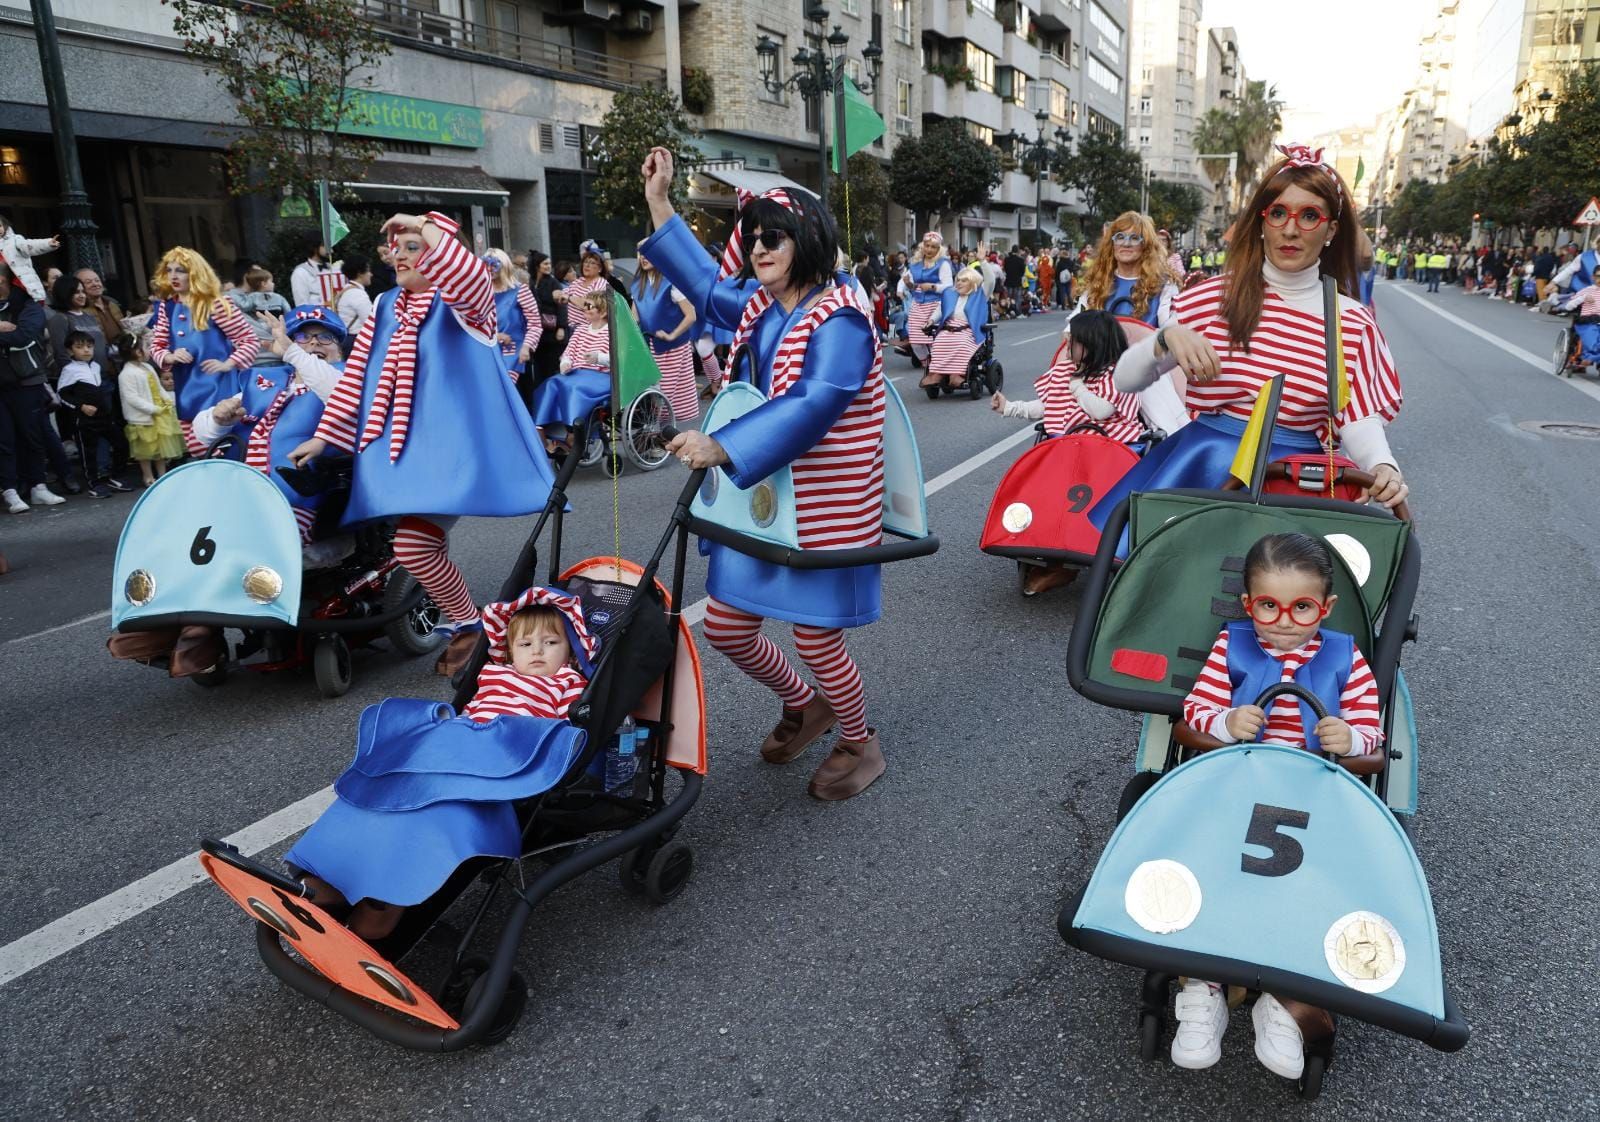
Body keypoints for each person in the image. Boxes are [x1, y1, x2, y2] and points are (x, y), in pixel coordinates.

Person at [642, 147, 889, 800]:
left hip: (822, 506)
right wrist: (661, 205)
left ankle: (861, 741)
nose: (757, 247)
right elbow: (705, 287)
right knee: (726, 625)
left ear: (806, 238)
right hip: (761, 501)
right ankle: (809, 705)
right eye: (752, 238)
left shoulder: (843, 319)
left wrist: (723, 447)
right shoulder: (761, 306)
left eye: (772, 236)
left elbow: (815, 402)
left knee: (816, 635)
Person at [286, 212, 553, 678]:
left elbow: (466, 272)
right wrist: (324, 434)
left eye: (414, 246)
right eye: (397, 248)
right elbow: (358, 378)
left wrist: (424, 221)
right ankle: (455, 621)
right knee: (395, 545)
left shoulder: (468, 303)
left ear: (439, 249)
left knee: (412, 547)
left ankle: (471, 627)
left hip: (452, 457)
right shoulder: (386, 304)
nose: (399, 256)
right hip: (398, 455)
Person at [1099, 144, 1408, 544]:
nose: (1291, 229)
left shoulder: (1351, 321)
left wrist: (1383, 465)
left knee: (1277, 594)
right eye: (1278, 213)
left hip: (1297, 475)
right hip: (1206, 459)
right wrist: (1164, 339)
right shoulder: (1210, 298)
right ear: (1262, 222)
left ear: (1331, 230)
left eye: (1309, 215)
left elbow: (1358, 417)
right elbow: (1124, 380)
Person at [1172, 531, 1382, 1080]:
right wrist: (1225, 721)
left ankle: (1284, 1000)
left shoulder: (1344, 656)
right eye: (1268, 606)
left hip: (1314, 792)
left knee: (1313, 887)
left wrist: (1349, 738)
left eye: (1302, 608)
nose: (1284, 621)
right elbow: (1196, 709)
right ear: (1249, 605)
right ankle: (1202, 986)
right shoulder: (1231, 646)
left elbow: (1371, 735)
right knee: (1209, 871)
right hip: (1236, 785)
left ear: (1326, 607)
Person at [288, 587, 596, 940]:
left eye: (551, 643)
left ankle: (386, 900)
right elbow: (469, 710)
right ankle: (332, 876)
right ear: (511, 652)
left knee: (435, 813)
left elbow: (568, 734)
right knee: (387, 785)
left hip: (504, 758)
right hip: (457, 742)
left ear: (570, 650)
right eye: (526, 645)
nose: (538, 651)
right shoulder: (496, 673)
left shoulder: (567, 682)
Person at [990, 310, 1143, 595]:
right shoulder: (1065, 371)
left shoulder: (1118, 374)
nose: (1067, 344)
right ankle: (1048, 543)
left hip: (1109, 451)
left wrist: (1079, 388)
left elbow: (1102, 410)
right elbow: (1048, 407)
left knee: (1090, 494)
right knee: (1046, 486)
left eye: (1073, 340)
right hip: (1069, 446)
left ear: (1092, 343)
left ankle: (1077, 554)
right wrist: (1011, 407)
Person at [148, 246, 260, 432]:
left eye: (180, 271)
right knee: (197, 446)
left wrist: (228, 363)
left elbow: (249, 340)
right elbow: (157, 346)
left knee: (222, 443)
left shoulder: (217, 304)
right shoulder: (166, 307)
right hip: (185, 388)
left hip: (219, 388)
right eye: (169, 270)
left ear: (195, 273)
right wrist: (170, 356)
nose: (173, 276)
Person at [0, 263, 68, 512]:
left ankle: (38, 486)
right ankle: (10, 491)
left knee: (32, 435)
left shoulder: (27, 306)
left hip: (26, 379)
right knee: (4, 439)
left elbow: (24, 336)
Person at [532, 289, 610, 453]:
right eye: (585, 305)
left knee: (573, 387)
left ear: (602, 312)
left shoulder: (611, 332)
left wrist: (600, 358)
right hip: (578, 373)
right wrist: (566, 363)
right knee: (552, 383)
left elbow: (618, 359)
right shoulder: (581, 330)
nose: (586, 308)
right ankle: (542, 425)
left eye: (590, 306)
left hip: (600, 377)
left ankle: (571, 432)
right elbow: (569, 352)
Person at [57, 330, 131, 497]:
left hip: (104, 416)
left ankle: (116, 476)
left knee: (121, 444)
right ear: (70, 351)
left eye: (89, 346)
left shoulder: (96, 366)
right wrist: (80, 406)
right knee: (88, 453)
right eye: (80, 347)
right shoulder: (69, 370)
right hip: (84, 419)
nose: (86, 350)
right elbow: (62, 394)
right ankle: (94, 483)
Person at [1074, 212, 1178, 327]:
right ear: (1112, 244)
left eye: (1134, 238)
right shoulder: (1098, 281)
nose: (1126, 244)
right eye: (1120, 237)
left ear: (1145, 245)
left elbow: (1169, 332)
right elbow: (1075, 324)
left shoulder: (1164, 285)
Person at [634, 248, 699, 422]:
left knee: (665, 395)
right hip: (649, 346)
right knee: (653, 396)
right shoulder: (637, 285)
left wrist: (672, 335)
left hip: (672, 347)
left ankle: (661, 437)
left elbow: (691, 315)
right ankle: (657, 436)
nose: (643, 257)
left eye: (648, 253)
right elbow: (635, 318)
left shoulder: (671, 283)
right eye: (640, 253)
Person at [115, 329, 182, 485]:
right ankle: (147, 476)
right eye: (146, 347)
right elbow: (132, 398)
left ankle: (162, 474)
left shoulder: (148, 368)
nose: (149, 350)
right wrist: (152, 408)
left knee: (160, 447)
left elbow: (159, 388)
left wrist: (167, 401)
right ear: (137, 352)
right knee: (145, 450)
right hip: (143, 417)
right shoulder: (126, 374)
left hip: (158, 413)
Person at [921, 266, 990, 391]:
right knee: (938, 343)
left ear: (973, 282)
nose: (959, 283)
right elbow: (940, 310)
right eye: (958, 280)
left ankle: (956, 374)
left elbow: (990, 280)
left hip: (969, 330)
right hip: (949, 329)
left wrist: (983, 261)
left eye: (964, 280)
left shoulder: (979, 294)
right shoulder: (950, 294)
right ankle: (936, 374)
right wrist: (930, 321)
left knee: (961, 343)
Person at [483, 248, 540, 385]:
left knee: (506, 390)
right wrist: (494, 335)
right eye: (486, 264)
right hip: (487, 349)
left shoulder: (520, 291)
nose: (490, 269)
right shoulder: (481, 292)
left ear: (504, 266)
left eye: (494, 264)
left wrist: (526, 347)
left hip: (513, 351)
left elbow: (535, 323)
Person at [899, 232, 952, 364]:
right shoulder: (915, 264)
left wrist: (932, 286)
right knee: (916, 341)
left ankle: (937, 366)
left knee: (935, 340)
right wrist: (905, 285)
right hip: (917, 305)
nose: (929, 249)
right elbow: (908, 282)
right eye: (927, 246)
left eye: (933, 247)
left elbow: (949, 286)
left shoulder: (943, 264)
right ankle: (927, 364)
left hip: (936, 305)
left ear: (939, 249)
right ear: (923, 246)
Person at [526, 250, 566, 397]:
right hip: (537, 332)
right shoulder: (530, 282)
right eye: (545, 264)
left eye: (550, 263)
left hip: (552, 331)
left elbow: (562, 305)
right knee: (538, 368)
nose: (549, 266)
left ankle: (551, 397)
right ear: (537, 266)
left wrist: (561, 327)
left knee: (550, 367)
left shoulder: (553, 282)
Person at [229, 265, 293, 348]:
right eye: (271, 281)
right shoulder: (278, 297)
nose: (273, 284)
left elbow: (244, 306)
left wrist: (233, 296)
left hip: (261, 324)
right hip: (277, 323)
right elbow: (288, 311)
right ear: (264, 284)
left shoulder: (252, 296)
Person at [0, 213, 58, 302]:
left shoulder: (14, 240)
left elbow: (29, 245)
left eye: (0, 226)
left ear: (4, 226)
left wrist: (48, 243)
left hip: (19, 286)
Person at [75, 268, 126, 357]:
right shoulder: (82, 312)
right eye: (88, 282)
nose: (95, 284)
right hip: (103, 360)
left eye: (97, 280)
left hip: (124, 353)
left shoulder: (112, 304)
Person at [289, 232, 339, 308]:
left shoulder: (335, 269)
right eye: (326, 247)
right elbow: (302, 306)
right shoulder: (301, 273)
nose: (331, 251)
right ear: (314, 248)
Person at [336, 255, 374, 336]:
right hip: (356, 338)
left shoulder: (346, 290)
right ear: (360, 273)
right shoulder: (357, 294)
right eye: (368, 271)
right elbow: (370, 322)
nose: (371, 274)